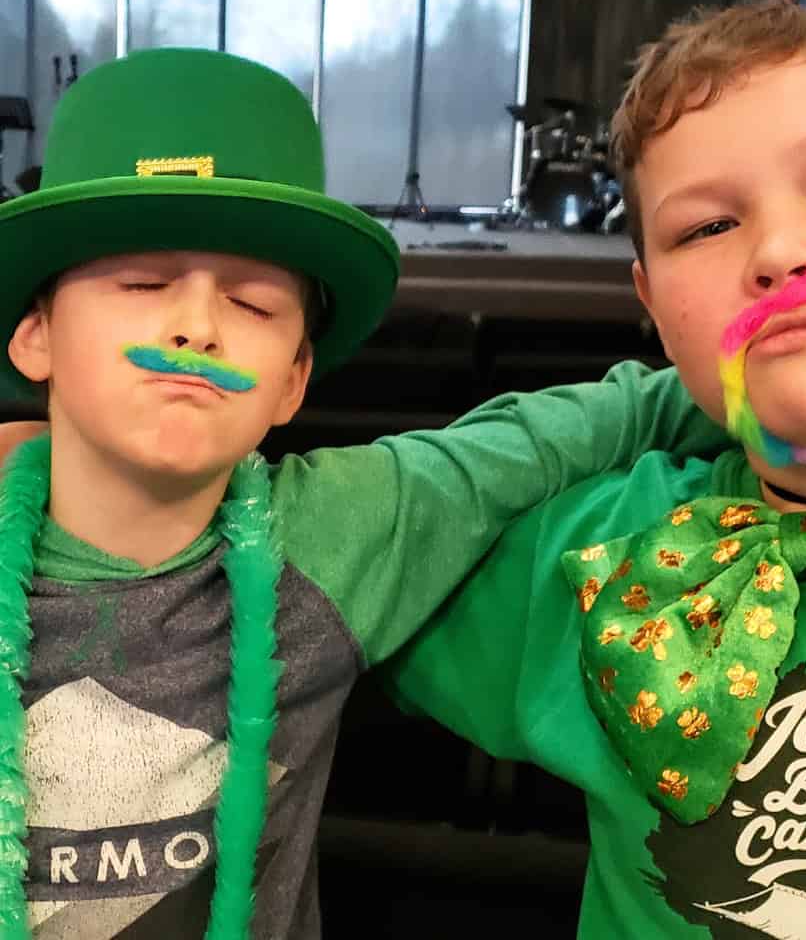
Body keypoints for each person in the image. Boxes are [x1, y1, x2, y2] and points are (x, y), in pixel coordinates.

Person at [0, 46, 735, 938]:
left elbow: (610, 416)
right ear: (34, 335)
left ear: (293, 381)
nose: (194, 327)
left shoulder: (342, 529)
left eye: (252, 306)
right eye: (143, 283)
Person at [387, 1, 806, 939]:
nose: (781, 251)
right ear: (654, 305)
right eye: (707, 227)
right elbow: (286, 581)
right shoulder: (588, 558)